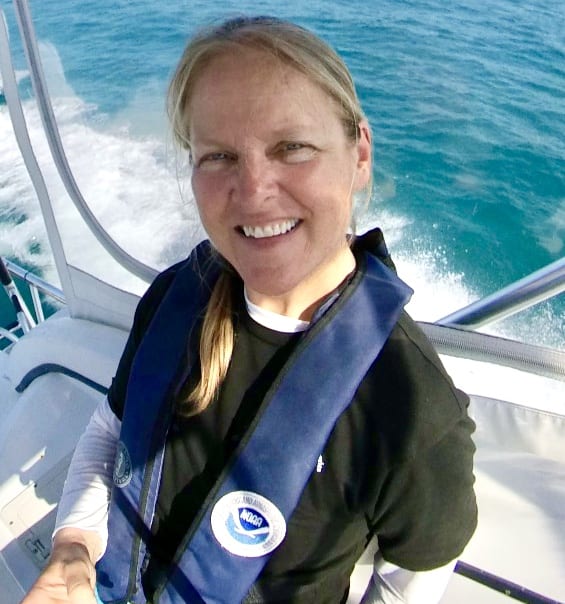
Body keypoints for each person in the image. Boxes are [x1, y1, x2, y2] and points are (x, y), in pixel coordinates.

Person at [22, 16, 477, 604]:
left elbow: (408, 585)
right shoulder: (174, 298)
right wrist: (74, 550)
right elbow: (112, 430)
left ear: (359, 153)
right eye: (218, 157)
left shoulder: (410, 412)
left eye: (292, 147)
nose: (255, 189)